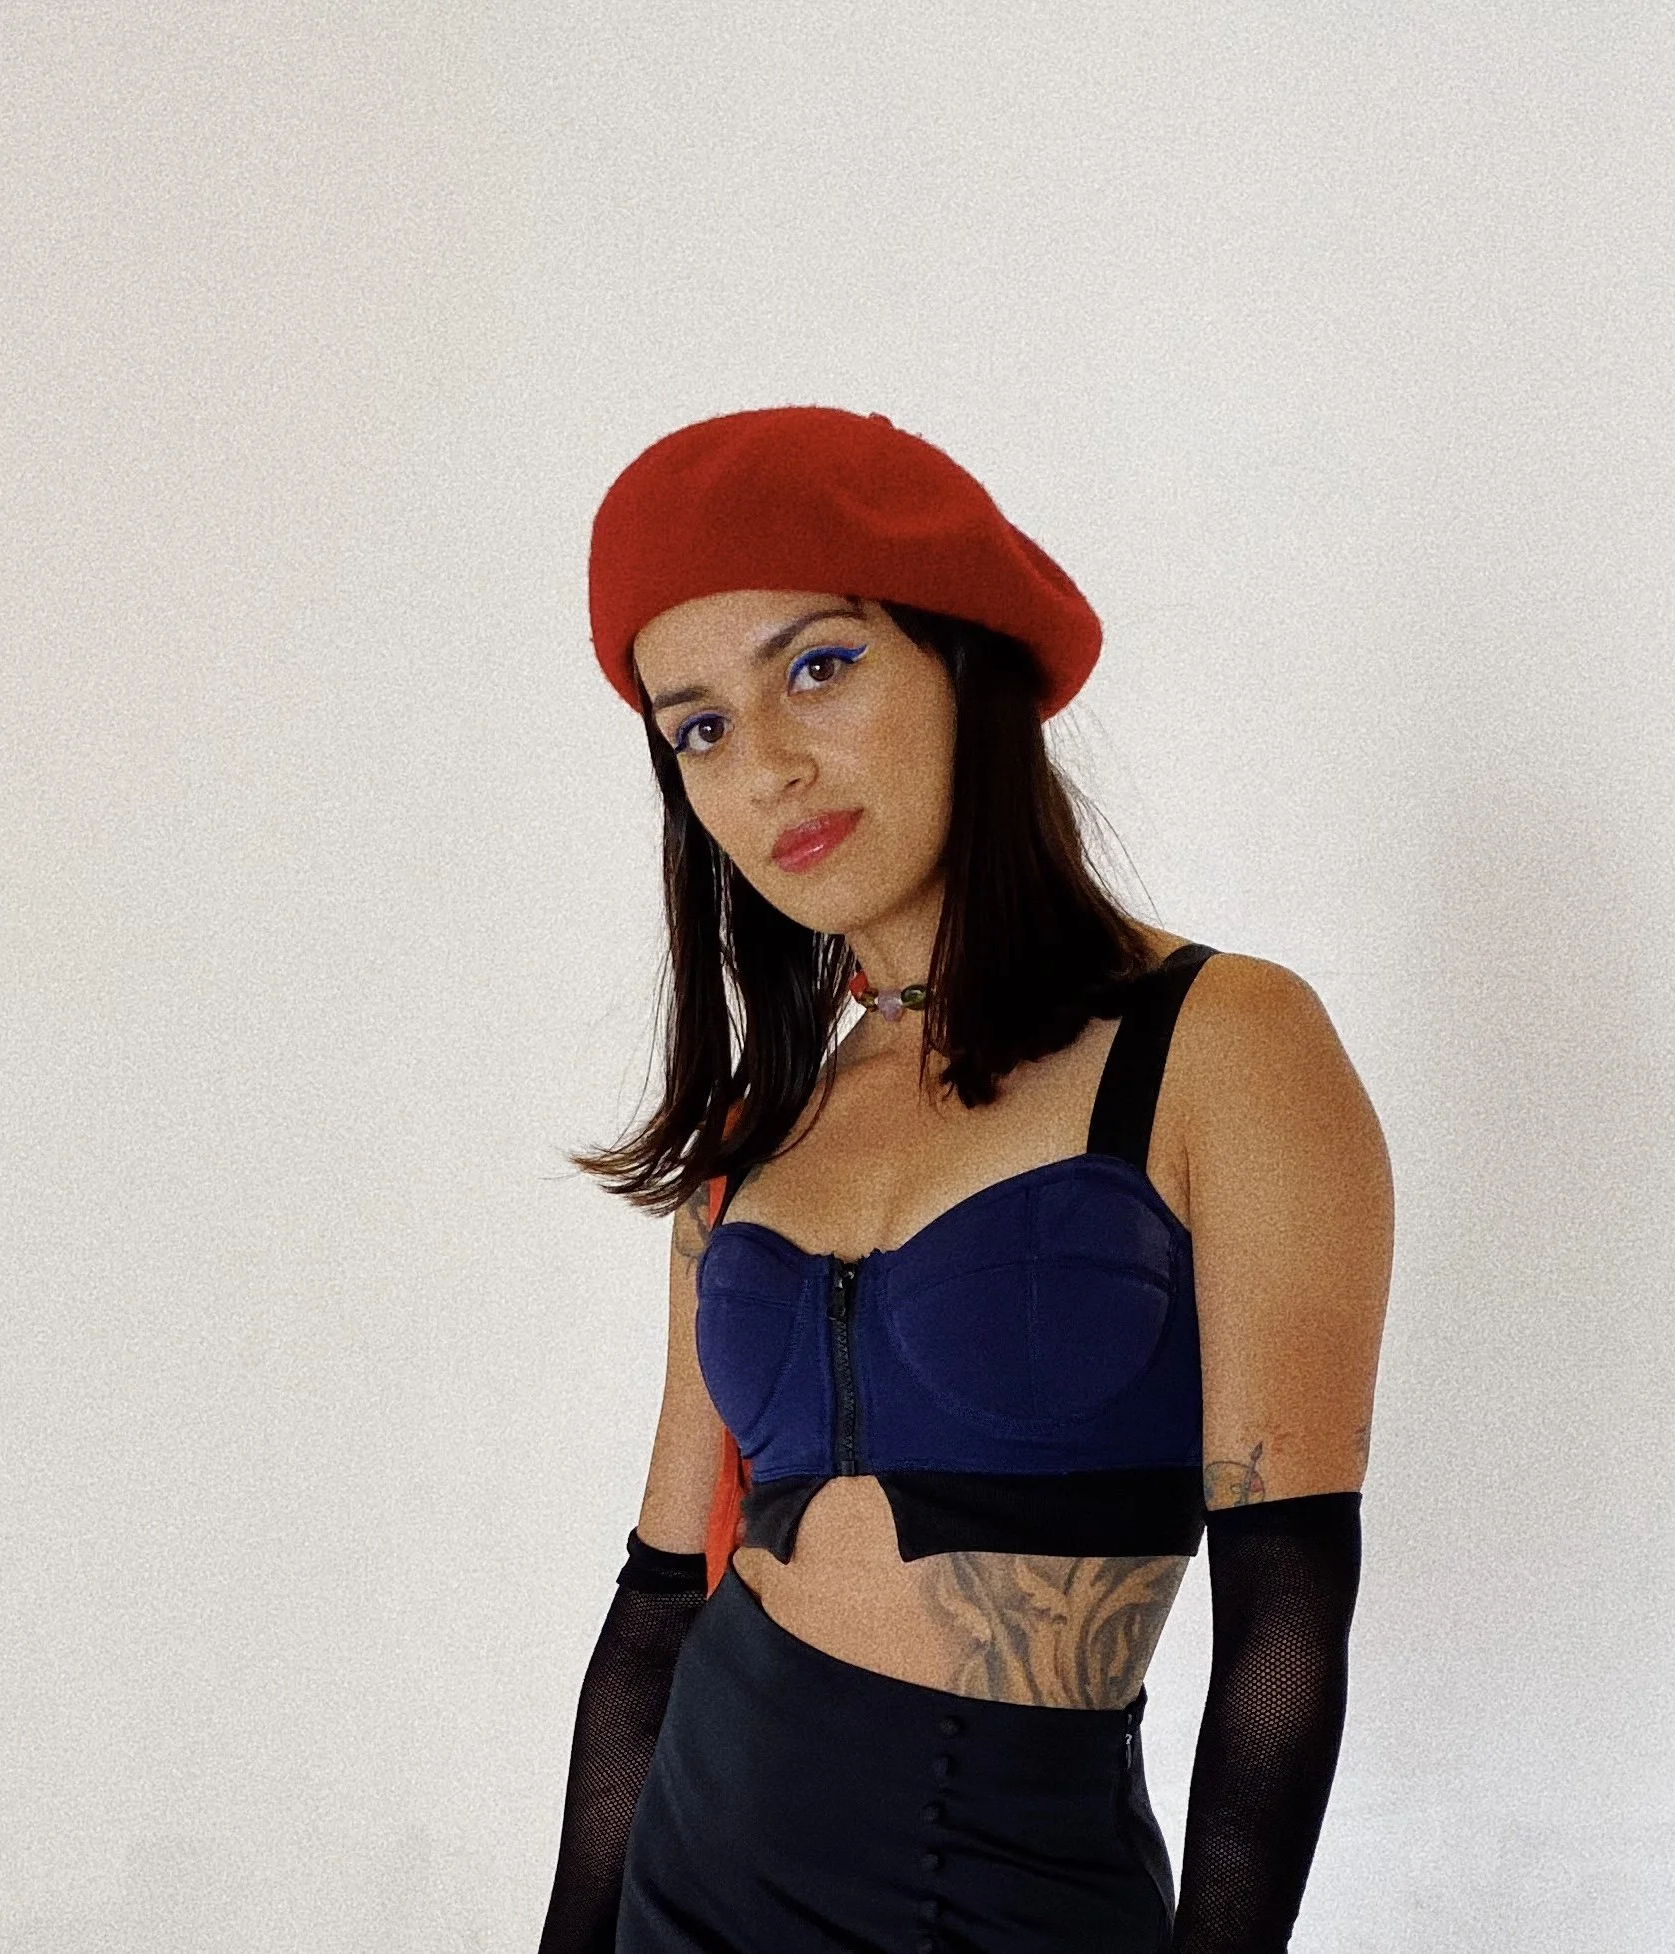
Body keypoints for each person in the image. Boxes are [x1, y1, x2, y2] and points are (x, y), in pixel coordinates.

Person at [538, 406, 1393, 1953]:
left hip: (1008, 1898)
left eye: (817, 664)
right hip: (691, 1886)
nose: (769, 766)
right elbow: (660, 1605)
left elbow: (1286, 1626)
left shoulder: (1223, 1045)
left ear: (961, 655)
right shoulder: (756, 1128)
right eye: (700, 727)